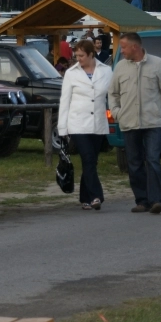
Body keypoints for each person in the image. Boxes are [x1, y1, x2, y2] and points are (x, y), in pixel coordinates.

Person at [108, 32, 161, 215]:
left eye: (123, 47)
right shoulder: (120, 67)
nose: (121, 51)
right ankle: (141, 200)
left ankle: (156, 201)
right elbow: (112, 93)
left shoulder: (158, 65)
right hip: (129, 122)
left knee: (153, 159)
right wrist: (117, 113)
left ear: (134, 47)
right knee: (134, 162)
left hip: (153, 122)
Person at [58, 39, 113, 210]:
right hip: (78, 123)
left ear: (91, 54)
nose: (78, 58)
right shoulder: (71, 73)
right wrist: (62, 128)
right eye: (76, 55)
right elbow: (64, 101)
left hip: (97, 123)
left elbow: (111, 96)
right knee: (88, 157)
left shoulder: (106, 71)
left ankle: (85, 197)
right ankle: (97, 196)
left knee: (91, 161)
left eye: (82, 55)